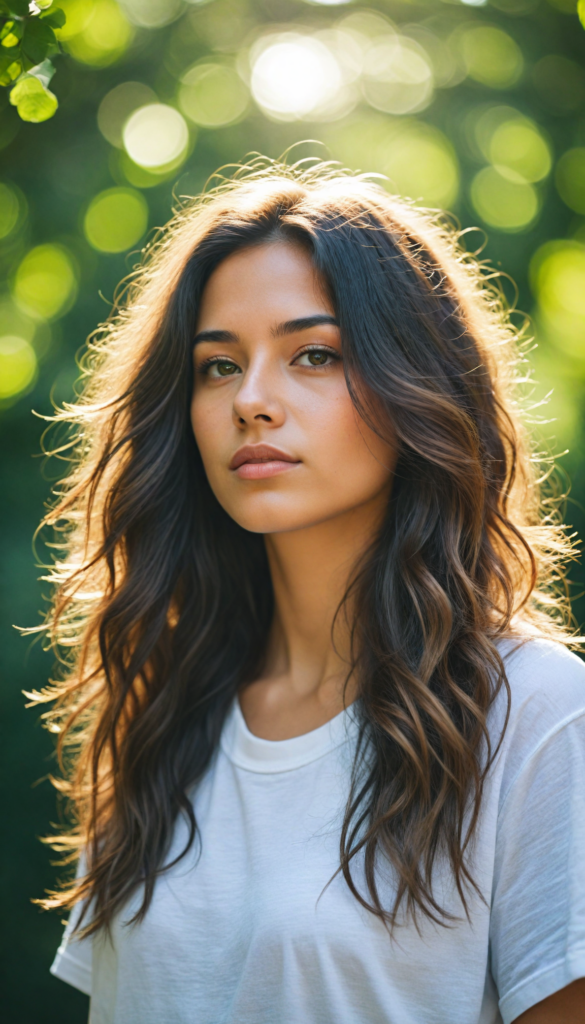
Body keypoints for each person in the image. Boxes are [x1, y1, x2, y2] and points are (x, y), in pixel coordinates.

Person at [38, 158, 585, 1023]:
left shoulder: (536, 712)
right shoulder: (161, 708)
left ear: (418, 384)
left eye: (315, 355)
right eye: (218, 367)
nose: (251, 400)